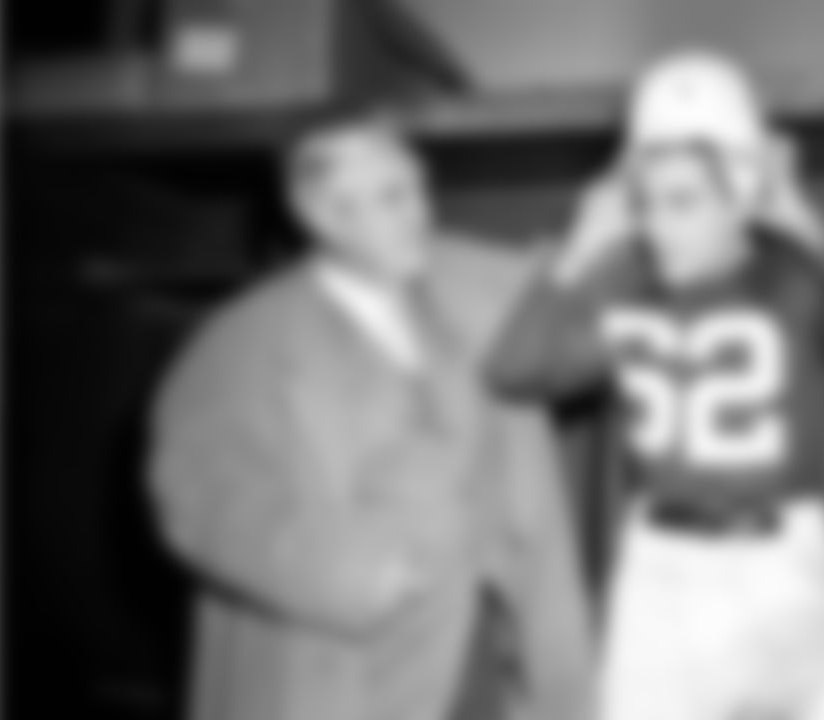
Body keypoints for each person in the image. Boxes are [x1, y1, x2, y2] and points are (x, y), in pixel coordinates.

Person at [487, 51, 824, 720]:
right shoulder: (622, 285)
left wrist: (800, 217)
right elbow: (515, 371)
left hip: (788, 563)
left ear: (745, 193)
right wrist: (581, 244)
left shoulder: (798, 277)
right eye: (643, 202)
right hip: (660, 570)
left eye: (683, 202)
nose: (654, 224)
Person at [147, 106, 594, 720]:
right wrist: (353, 570)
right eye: (390, 196)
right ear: (321, 214)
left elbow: (564, 333)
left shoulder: (459, 299)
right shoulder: (244, 339)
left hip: (477, 645)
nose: (421, 212)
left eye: (416, 187)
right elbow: (203, 493)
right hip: (352, 662)